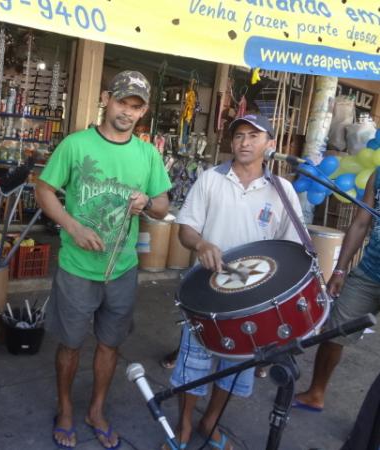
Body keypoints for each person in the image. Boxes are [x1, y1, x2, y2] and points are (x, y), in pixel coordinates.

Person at [36, 70, 172, 449]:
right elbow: (44, 190)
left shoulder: (147, 154)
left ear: (143, 112)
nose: (127, 112)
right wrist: (73, 226)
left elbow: (163, 205)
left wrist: (148, 202)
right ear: (106, 99)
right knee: (70, 344)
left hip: (122, 268)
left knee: (110, 344)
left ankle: (96, 409)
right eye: (122, 102)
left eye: (136, 106)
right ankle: (65, 408)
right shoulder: (76, 145)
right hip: (77, 268)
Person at [168, 114, 304, 450]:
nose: (244, 142)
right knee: (193, 364)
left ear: (270, 144)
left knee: (236, 367)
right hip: (206, 291)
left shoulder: (282, 190)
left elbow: (292, 249)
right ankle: (184, 424)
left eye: (254, 136)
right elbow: (186, 229)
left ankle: (210, 420)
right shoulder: (210, 178)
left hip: (252, 298)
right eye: (239, 135)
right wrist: (200, 244)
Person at [294, 168, 380, 412]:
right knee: (335, 331)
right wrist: (340, 270)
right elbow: (361, 222)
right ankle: (316, 393)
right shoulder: (378, 174)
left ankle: (370, 428)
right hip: (369, 273)